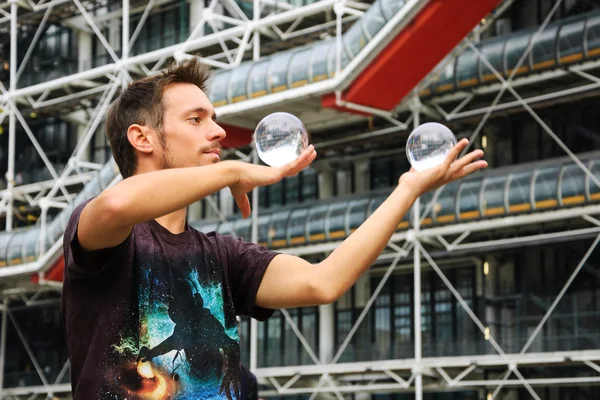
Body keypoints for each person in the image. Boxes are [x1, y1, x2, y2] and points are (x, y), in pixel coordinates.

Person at [60, 57, 487, 400]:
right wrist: (230, 171)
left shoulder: (224, 255)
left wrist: (407, 189)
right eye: (196, 119)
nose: (218, 131)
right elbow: (118, 203)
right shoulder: (108, 235)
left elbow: (324, 282)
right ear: (142, 138)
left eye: (214, 118)